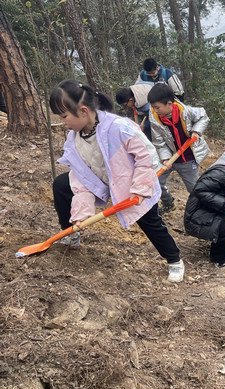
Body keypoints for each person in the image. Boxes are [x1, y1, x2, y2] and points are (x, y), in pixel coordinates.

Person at [49, 79, 186, 283]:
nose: (63, 122)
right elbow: (81, 177)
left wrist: (140, 189)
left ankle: (174, 260)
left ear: (84, 111)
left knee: (150, 222)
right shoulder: (73, 140)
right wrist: (81, 215)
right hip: (100, 181)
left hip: (132, 185)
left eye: (64, 116)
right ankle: (70, 233)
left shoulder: (118, 127)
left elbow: (146, 155)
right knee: (62, 184)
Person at [148, 84, 210, 215]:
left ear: (169, 104)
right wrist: (165, 158)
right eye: (153, 107)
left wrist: (196, 131)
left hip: (188, 159)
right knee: (156, 181)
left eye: (157, 107)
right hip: (169, 158)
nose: (155, 110)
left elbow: (203, 116)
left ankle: (202, 211)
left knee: (194, 188)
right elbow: (158, 141)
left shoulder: (186, 112)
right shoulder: (155, 119)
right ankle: (168, 202)